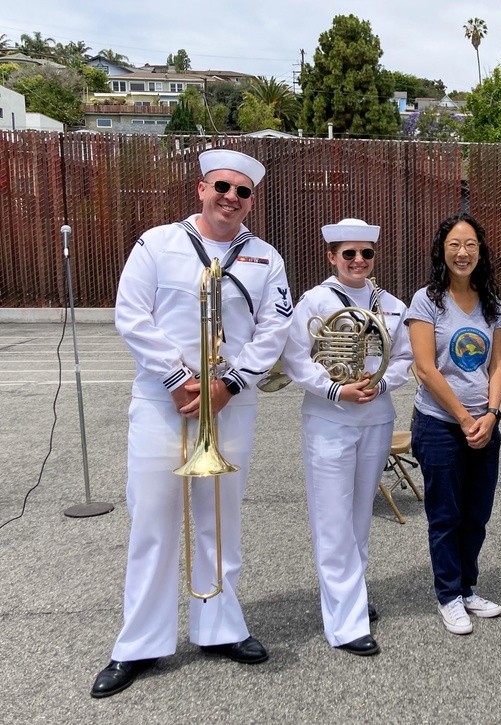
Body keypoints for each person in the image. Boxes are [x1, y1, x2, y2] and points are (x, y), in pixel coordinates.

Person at [92, 149, 292, 698]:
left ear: (252, 199)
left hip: (230, 401)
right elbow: (131, 313)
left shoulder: (266, 257)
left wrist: (229, 384)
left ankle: (220, 627)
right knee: (153, 524)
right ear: (202, 187)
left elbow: (274, 328)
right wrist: (178, 375)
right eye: (222, 187)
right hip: (164, 400)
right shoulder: (157, 243)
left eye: (243, 192)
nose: (231, 198)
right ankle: (138, 645)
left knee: (220, 522)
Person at [280, 219, 412, 656]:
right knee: (332, 522)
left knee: (358, 520)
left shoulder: (390, 303)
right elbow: (295, 357)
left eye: (366, 254)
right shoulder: (315, 301)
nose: (358, 261)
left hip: (375, 417)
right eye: (349, 254)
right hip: (330, 419)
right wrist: (336, 388)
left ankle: (349, 597)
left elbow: (405, 357)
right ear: (331, 256)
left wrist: (382, 382)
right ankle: (345, 625)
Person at [406, 213, 501, 636]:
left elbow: (499, 364)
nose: (462, 253)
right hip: (440, 425)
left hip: (485, 423)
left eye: (470, 246)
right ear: (441, 252)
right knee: (445, 515)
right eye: (454, 245)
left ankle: (467, 588)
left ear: (480, 252)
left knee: (477, 514)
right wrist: (466, 419)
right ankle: (447, 595)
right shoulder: (426, 301)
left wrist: (493, 414)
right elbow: (426, 369)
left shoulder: (491, 302)